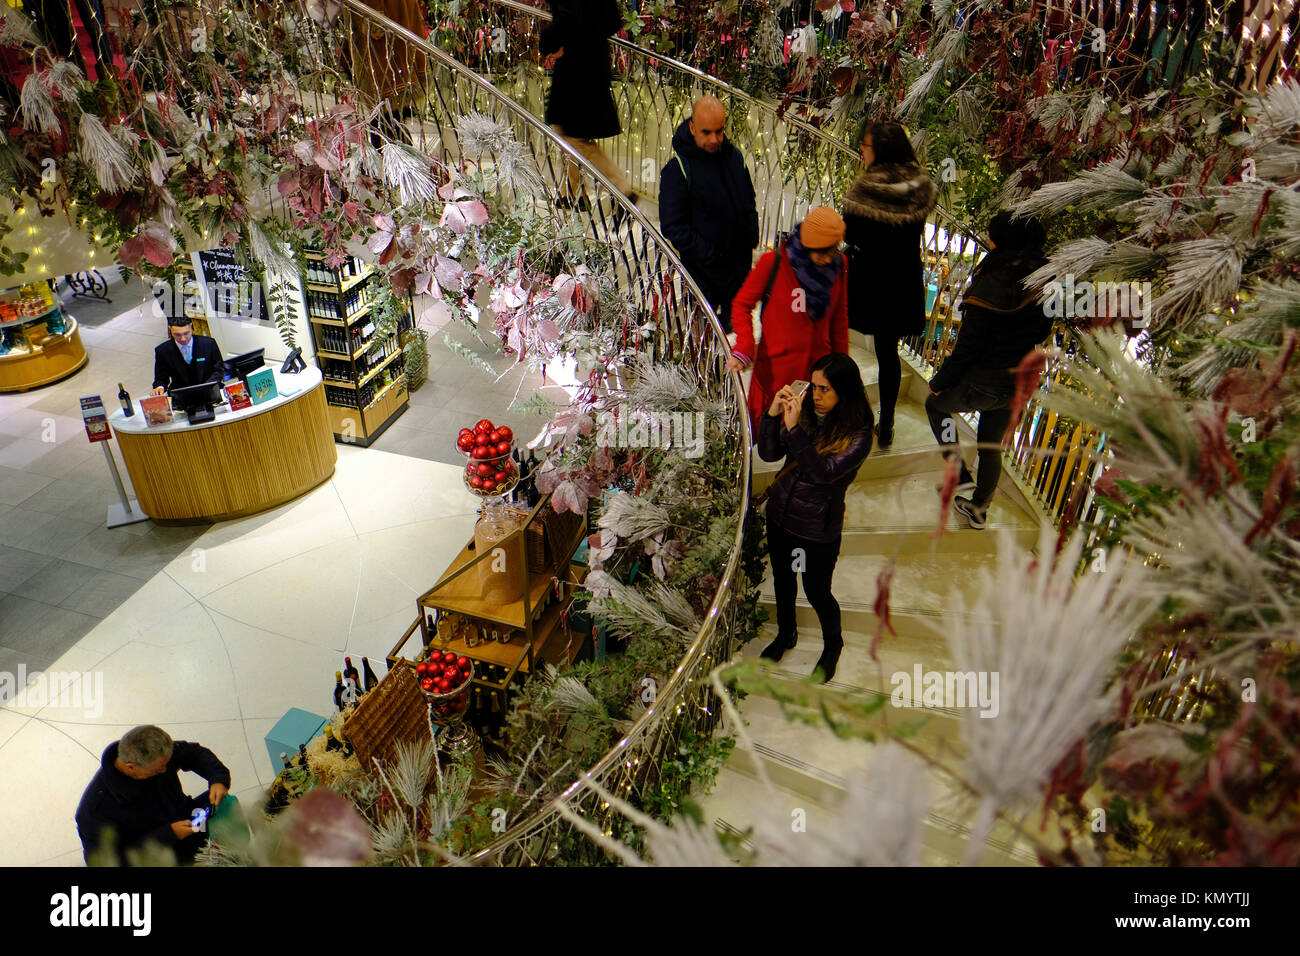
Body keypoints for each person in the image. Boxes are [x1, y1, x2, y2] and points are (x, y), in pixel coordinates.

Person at [926, 210, 1051, 529]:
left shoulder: (993, 281)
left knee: (936, 406)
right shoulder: (1045, 277)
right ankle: (979, 507)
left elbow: (969, 346)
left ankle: (960, 474)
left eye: (992, 234)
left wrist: (941, 381)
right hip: (1018, 382)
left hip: (983, 381)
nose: (989, 239)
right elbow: (1040, 332)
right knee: (990, 445)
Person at [756, 352, 873, 682]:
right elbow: (769, 454)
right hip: (780, 516)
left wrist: (793, 430)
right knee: (783, 581)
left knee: (817, 590)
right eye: (814, 386)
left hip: (817, 528)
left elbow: (823, 473)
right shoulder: (804, 411)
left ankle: (832, 645)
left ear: (844, 392)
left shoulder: (859, 433)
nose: (816, 396)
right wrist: (771, 415)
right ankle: (785, 635)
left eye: (825, 389)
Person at [841, 120, 937, 447]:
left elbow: (851, 234)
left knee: (840, 341)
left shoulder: (867, 188)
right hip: (903, 279)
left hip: (870, 281)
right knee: (887, 352)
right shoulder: (920, 186)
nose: (861, 152)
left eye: (865, 147)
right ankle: (887, 421)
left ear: (879, 150)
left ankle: (846, 413)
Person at [726, 206, 850, 430]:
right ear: (808, 244)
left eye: (832, 251)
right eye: (822, 252)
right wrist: (744, 344)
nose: (827, 259)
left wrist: (843, 367)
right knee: (765, 443)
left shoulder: (839, 265)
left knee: (805, 447)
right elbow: (741, 305)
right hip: (774, 376)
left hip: (816, 378)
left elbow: (839, 319)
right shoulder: (773, 263)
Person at [658, 94, 759, 334]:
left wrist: (750, 237)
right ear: (692, 128)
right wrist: (710, 255)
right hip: (704, 277)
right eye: (706, 132)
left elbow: (748, 200)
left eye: (719, 131)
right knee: (704, 341)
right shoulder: (678, 169)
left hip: (737, 273)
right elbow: (673, 226)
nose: (715, 139)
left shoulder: (734, 157)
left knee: (734, 338)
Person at [76, 724, 232, 866]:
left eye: (166, 764)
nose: (165, 770)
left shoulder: (157, 754)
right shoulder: (94, 812)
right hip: (157, 855)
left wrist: (217, 779)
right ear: (131, 767)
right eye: (158, 769)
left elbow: (194, 753)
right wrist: (167, 835)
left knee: (225, 805)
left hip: (188, 821)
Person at [539, 0, 638, 208]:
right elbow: (611, 20)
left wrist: (549, 43)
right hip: (590, 64)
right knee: (567, 132)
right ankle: (571, 193)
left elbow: (568, 16)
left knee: (574, 138)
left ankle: (621, 188)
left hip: (577, 69)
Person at [152, 316, 223, 395]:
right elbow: (161, 377)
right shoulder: (162, 351)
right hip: (181, 394)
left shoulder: (208, 343)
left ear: (191, 326)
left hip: (210, 390)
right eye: (177, 335)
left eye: (186, 333)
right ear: (170, 329)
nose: (183, 339)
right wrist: (159, 387)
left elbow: (219, 369)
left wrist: (207, 386)